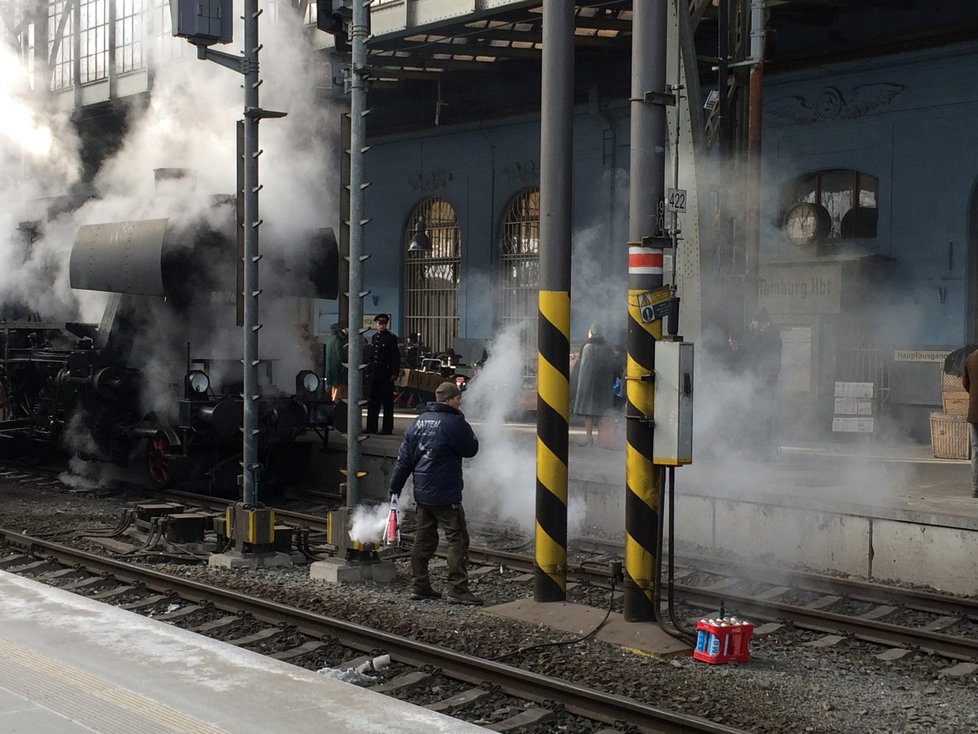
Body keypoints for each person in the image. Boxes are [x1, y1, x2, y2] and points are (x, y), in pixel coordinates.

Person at [389, 381, 481, 604]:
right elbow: (471, 450)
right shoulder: (454, 423)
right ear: (449, 399)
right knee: (457, 539)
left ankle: (420, 585)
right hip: (446, 494)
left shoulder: (417, 423)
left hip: (423, 494)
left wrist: (395, 488)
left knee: (423, 539)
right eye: (458, 398)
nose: (460, 402)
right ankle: (458, 589)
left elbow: (404, 461)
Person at [730, 307, 783, 457]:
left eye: (755, 322)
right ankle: (756, 448)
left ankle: (760, 450)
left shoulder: (769, 338)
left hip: (763, 384)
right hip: (757, 382)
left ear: (762, 323)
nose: (752, 325)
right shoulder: (762, 336)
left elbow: (754, 353)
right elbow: (746, 352)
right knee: (756, 416)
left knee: (762, 417)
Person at [572, 323, 617, 447]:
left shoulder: (587, 348)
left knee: (588, 411)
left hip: (589, 384)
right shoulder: (608, 347)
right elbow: (612, 364)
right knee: (603, 412)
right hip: (604, 384)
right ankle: (603, 438)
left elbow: (583, 367)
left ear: (591, 332)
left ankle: (589, 436)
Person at [366, 313, 400, 434]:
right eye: (380, 323)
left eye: (384, 324)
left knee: (387, 402)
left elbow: (395, 357)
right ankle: (371, 426)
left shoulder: (391, 338)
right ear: (376, 324)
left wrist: (394, 373)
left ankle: (387, 428)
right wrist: (369, 372)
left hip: (386, 374)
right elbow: (372, 357)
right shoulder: (375, 337)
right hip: (375, 374)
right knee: (373, 400)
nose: (382, 326)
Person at [961, 347, 978, 498]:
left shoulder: (970, 358)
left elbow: (965, 384)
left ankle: (975, 488)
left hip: (974, 411)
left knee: (976, 451)